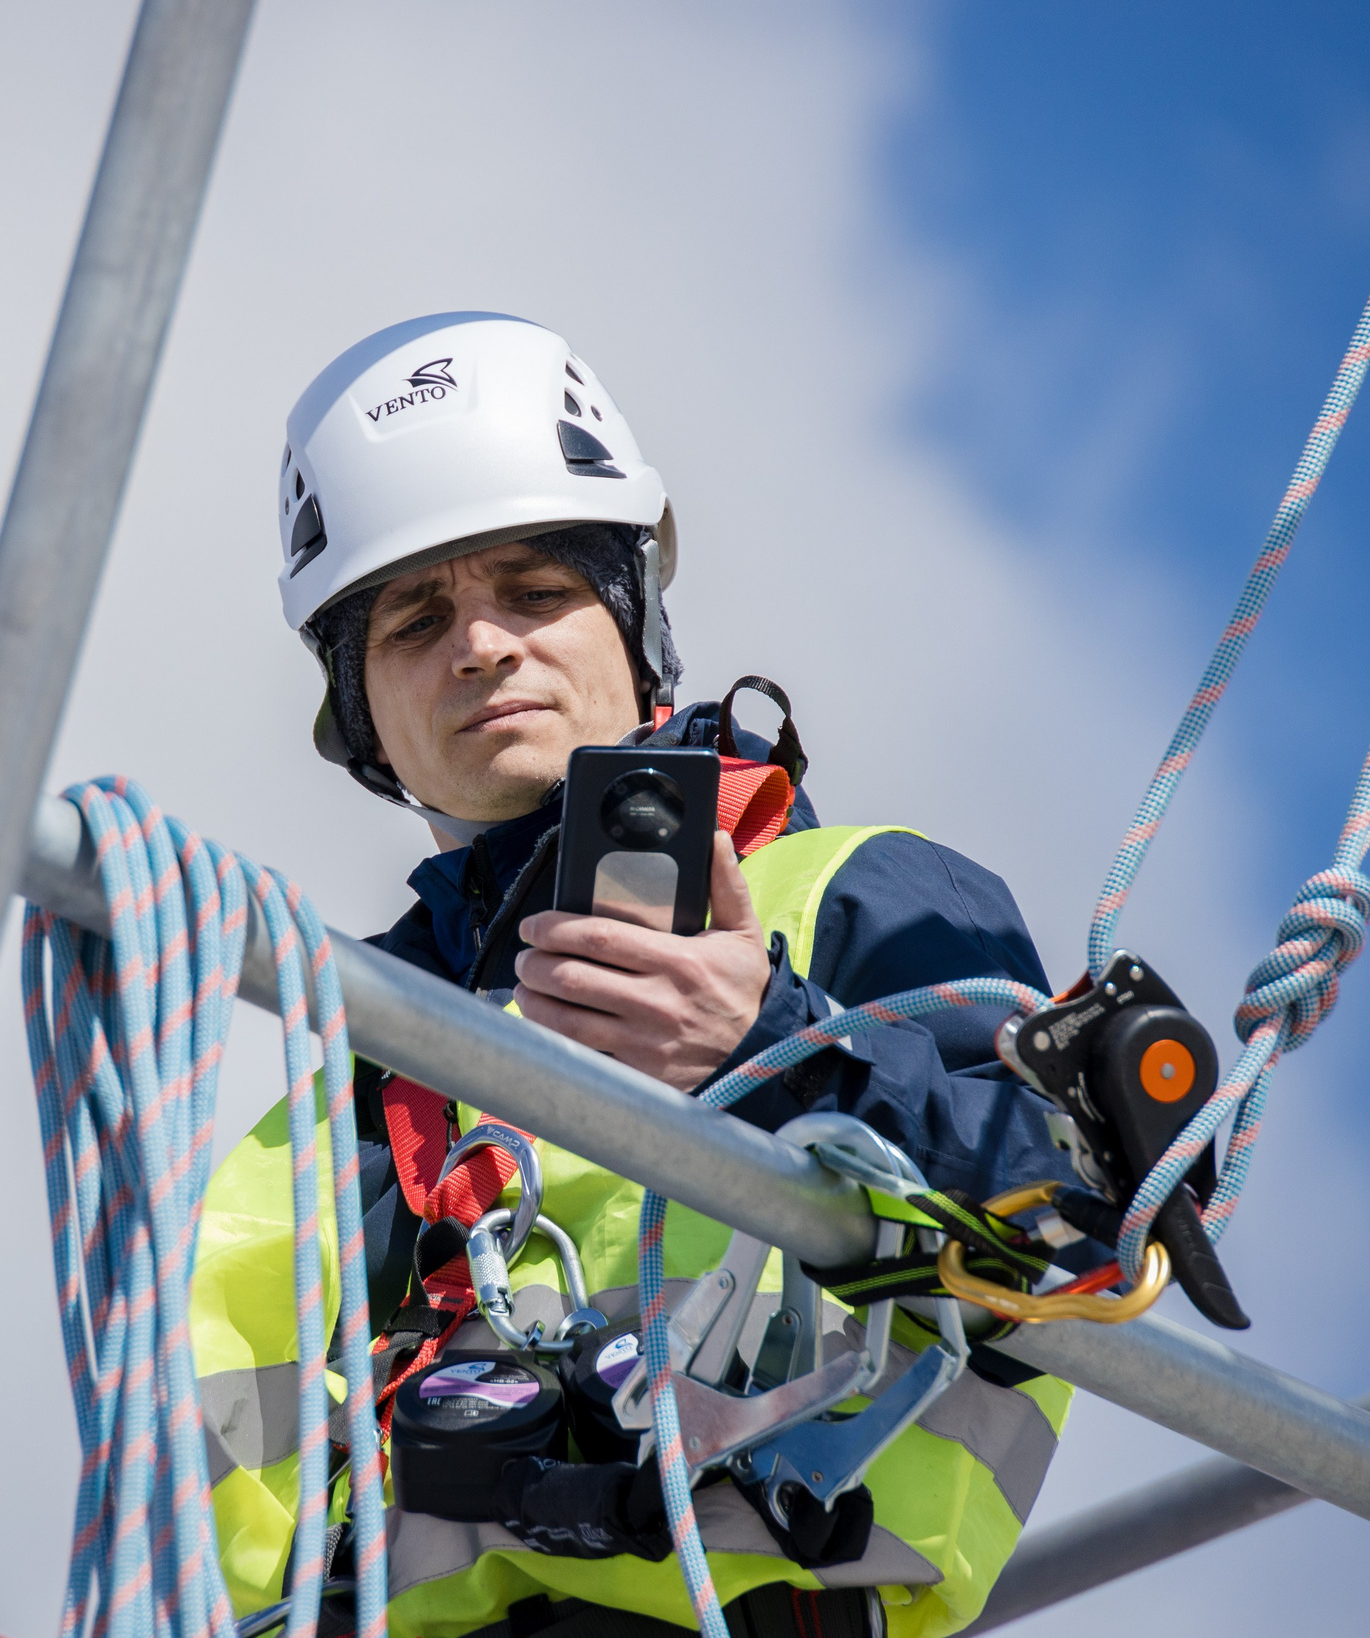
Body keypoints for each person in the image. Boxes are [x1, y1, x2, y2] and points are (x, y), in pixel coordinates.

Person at [194, 313, 1079, 1638]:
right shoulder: (334, 1098)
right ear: (360, 717)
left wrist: (783, 1054)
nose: (481, 647)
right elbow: (242, 1517)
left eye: (536, 593)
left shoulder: (865, 904)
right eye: (415, 621)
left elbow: (1080, 1230)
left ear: (633, 615)